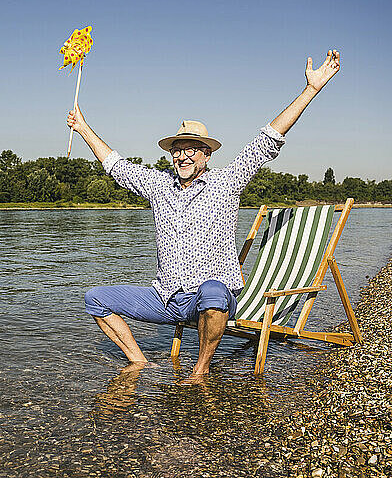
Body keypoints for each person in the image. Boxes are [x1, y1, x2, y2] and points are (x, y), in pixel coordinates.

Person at [67, 50, 341, 376]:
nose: (182, 156)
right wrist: (83, 128)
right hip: (167, 297)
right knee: (96, 298)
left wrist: (310, 90)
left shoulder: (226, 182)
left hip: (210, 299)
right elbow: (116, 166)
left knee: (213, 291)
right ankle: (138, 363)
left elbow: (267, 141)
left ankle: (200, 371)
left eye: (191, 149)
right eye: (177, 149)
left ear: (206, 154)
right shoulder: (158, 185)